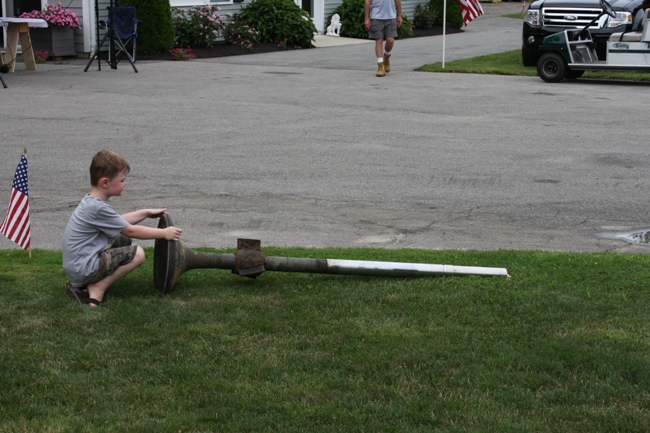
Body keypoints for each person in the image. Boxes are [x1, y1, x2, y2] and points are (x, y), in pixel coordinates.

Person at [62, 150, 182, 307]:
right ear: (105, 182)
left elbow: (118, 222)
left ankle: (86, 283)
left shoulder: (92, 202)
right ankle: (98, 286)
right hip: (84, 268)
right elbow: (130, 230)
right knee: (138, 254)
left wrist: (145, 212)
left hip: (78, 265)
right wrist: (163, 233)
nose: (125, 184)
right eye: (122, 180)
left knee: (122, 239)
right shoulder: (97, 208)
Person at [365, 0, 402, 77]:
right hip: (376, 17)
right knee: (379, 40)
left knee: (390, 40)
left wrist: (400, 15)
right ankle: (380, 65)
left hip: (391, 16)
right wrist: (367, 18)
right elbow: (368, 1)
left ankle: (386, 56)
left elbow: (397, 1)